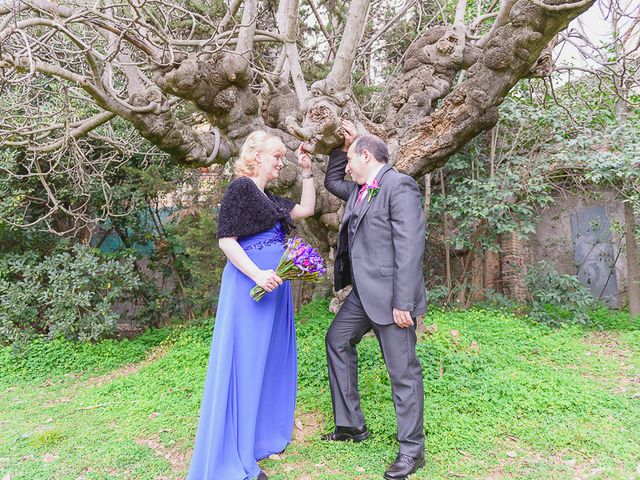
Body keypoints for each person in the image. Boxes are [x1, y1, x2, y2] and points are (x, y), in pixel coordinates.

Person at [186, 131, 315, 480]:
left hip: (273, 291)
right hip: (249, 288)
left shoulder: (269, 198)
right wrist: (258, 274)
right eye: (277, 156)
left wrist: (307, 172)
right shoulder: (240, 189)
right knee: (244, 363)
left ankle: (257, 437)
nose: (281, 162)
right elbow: (226, 241)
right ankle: (234, 459)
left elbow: (307, 209)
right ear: (256, 155)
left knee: (265, 361)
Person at [323, 120, 427, 480]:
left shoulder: (399, 186)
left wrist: (404, 303)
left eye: (351, 159)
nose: (347, 167)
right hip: (362, 295)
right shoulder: (358, 189)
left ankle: (412, 451)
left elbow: (410, 250)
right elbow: (332, 181)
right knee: (336, 340)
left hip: (393, 297)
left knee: (403, 374)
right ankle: (351, 425)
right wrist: (342, 147)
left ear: (367, 157)